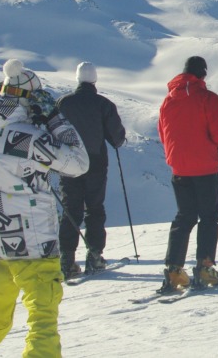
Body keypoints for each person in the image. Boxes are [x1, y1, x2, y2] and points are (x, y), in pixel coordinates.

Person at [0, 59, 89, 358]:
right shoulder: (28, 139)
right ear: (30, 101)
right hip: (35, 243)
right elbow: (78, 163)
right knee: (42, 321)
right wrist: (54, 117)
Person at [156, 56, 218, 293]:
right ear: (203, 75)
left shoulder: (168, 101)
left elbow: (163, 134)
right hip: (205, 167)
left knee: (184, 217)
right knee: (209, 218)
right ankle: (204, 268)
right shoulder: (209, 99)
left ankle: (174, 270)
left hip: (179, 167)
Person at [55, 62, 127, 279]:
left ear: (77, 79)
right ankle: (94, 256)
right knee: (94, 208)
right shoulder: (103, 104)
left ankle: (67, 259)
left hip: (68, 162)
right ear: (94, 80)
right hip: (95, 162)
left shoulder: (63, 103)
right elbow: (116, 138)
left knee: (70, 208)